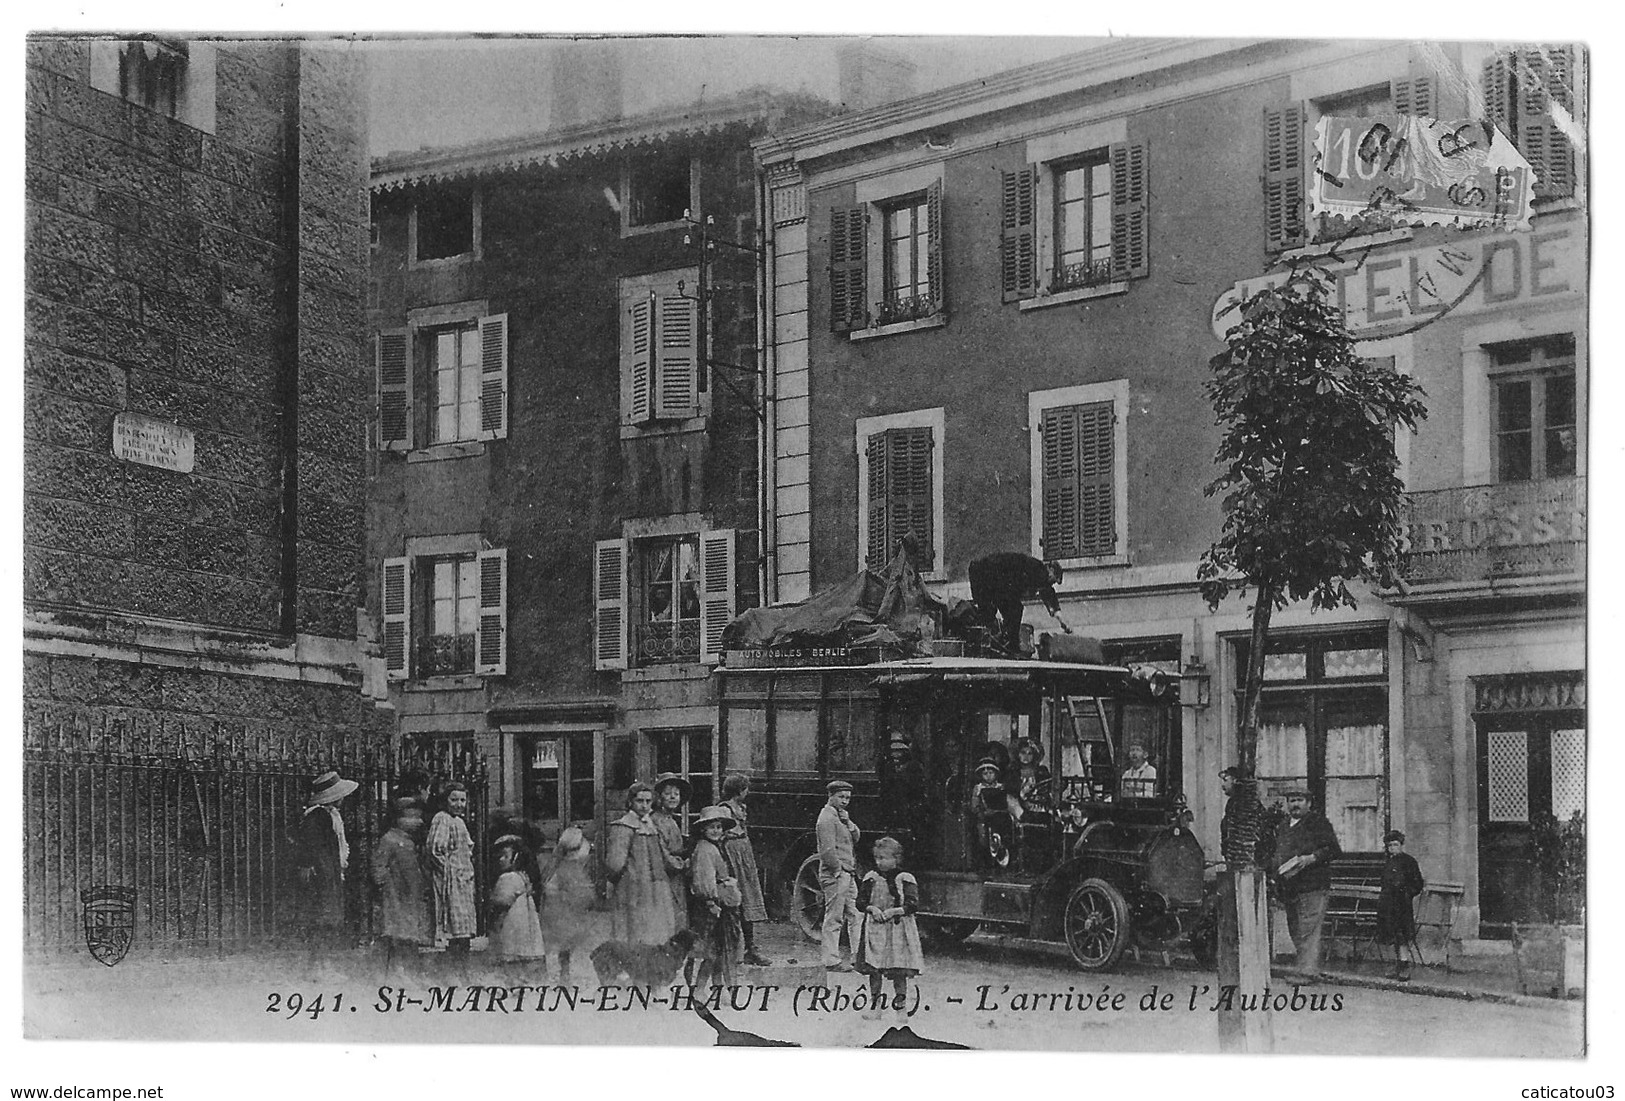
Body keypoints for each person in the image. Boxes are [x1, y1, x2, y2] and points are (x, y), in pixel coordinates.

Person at [1271, 788, 1343, 979]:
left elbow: (1334, 849)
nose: (1295, 804)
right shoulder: (1284, 825)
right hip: (1290, 887)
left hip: (1313, 886)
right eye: (1292, 800)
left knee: (1308, 930)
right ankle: (1307, 967)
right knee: (1295, 929)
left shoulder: (1318, 823)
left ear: (1309, 803)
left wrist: (1311, 858)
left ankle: (1306, 972)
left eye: (1300, 800)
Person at [292, 769, 358, 967]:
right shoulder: (317, 816)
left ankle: (324, 963)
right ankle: (318, 965)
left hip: (331, 870)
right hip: (322, 872)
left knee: (329, 919)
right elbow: (309, 843)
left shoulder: (332, 814)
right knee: (322, 919)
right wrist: (308, 865)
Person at [604, 782, 682, 947]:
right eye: (640, 801)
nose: (645, 805)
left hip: (655, 887)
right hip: (632, 888)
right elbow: (615, 864)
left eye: (648, 801)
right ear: (631, 802)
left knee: (654, 930)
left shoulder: (652, 826)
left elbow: (661, 856)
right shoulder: (624, 826)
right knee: (633, 929)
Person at [856, 836, 924, 1024]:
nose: (879, 862)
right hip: (876, 929)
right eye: (877, 858)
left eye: (884, 858)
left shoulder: (905, 878)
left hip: (897, 929)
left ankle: (901, 1009)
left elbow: (912, 904)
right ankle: (875, 1006)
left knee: (898, 970)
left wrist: (894, 911)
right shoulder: (871, 877)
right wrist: (872, 909)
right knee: (874, 969)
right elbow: (860, 902)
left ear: (896, 859)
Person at [371, 795, 430, 979]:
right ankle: (395, 972)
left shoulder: (411, 841)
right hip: (394, 894)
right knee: (396, 932)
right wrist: (381, 882)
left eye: (417, 817)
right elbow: (379, 864)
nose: (415, 822)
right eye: (409, 817)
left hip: (409, 894)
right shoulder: (389, 839)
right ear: (397, 819)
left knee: (409, 932)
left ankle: (407, 971)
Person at [967, 552, 1071, 653]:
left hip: (987, 575)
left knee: (994, 613)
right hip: (987, 575)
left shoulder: (1037, 570)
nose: (1053, 583)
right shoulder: (1040, 570)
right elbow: (1047, 592)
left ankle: (998, 643)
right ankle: (1009, 645)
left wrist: (1062, 621)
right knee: (1011, 610)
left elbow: (1048, 593)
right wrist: (1062, 621)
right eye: (1054, 579)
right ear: (1050, 569)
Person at [688, 805, 744, 990]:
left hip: (721, 903)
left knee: (719, 949)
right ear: (703, 829)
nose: (716, 831)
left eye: (719, 827)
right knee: (711, 951)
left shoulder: (715, 847)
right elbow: (704, 880)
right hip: (710, 906)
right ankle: (700, 990)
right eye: (711, 827)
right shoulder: (704, 850)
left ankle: (717, 987)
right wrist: (711, 902)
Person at [719, 774, 772, 967]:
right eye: (745, 789)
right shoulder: (724, 809)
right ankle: (734, 947)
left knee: (748, 899)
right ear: (738, 790)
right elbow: (721, 835)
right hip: (731, 854)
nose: (747, 792)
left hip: (744, 854)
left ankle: (751, 948)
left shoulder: (742, 808)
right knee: (734, 901)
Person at [426, 781, 478, 967]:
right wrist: (450, 872)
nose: (459, 804)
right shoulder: (442, 819)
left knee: (464, 928)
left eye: (462, 800)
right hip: (452, 881)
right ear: (445, 800)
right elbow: (435, 850)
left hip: (464, 880)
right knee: (454, 928)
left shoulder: (459, 821)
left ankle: (462, 968)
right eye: (454, 799)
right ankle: (453, 970)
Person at [539, 826, 600, 985]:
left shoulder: (564, 866)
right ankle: (564, 976)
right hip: (564, 910)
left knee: (567, 946)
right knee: (566, 944)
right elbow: (577, 891)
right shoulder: (568, 868)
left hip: (566, 909)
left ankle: (565, 974)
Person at [816, 779, 862, 974]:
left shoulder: (840, 817)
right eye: (841, 797)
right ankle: (831, 960)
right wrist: (837, 871)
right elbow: (827, 851)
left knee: (855, 914)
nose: (845, 801)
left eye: (848, 798)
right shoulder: (826, 818)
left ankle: (858, 957)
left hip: (847, 873)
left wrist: (849, 822)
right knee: (834, 917)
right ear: (831, 796)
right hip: (837, 874)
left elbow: (856, 837)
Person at [489, 835, 547, 976]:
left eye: (505, 856)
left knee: (510, 960)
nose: (500, 859)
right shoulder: (523, 876)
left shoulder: (507, 878)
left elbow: (501, 902)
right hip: (525, 929)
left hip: (512, 928)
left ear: (516, 858)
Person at [1376, 829, 1425, 981]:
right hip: (1387, 903)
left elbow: (1418, 883)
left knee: (1403, 935)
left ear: (1401, 845)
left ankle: (1404, 965)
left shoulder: (1409, 861)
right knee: (1390, 934)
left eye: (1395, 845)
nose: (1393, 848)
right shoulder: (1387, 863)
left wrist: (1407, 893)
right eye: (1390, 845)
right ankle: (1394, 965)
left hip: (1402, 904)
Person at [651, 773, 692, 929]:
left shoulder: (671, 820)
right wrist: (683, 865)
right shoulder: (656, 821)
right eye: (668, 794)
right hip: (665, 877)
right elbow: (662, 854)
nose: (673, 797)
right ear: (659, 797)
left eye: (676, 794)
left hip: (676, 879)